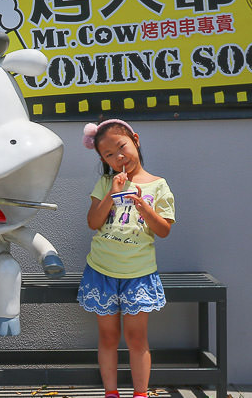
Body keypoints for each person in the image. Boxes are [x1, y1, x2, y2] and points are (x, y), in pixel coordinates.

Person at [78, 119, 175, 398]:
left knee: (136, 339)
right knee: (108, 337)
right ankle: (111, 392)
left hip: (139, 273)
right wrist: (112, 193)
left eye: (121, 147)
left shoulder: (159, 185)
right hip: (102, 271)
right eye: (108, 155)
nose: (118, 157)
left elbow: (164, 230)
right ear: (102, 160)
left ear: (135, 139)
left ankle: (140, 394)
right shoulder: (106, 182)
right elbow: (94, 222)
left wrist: (144, 208)